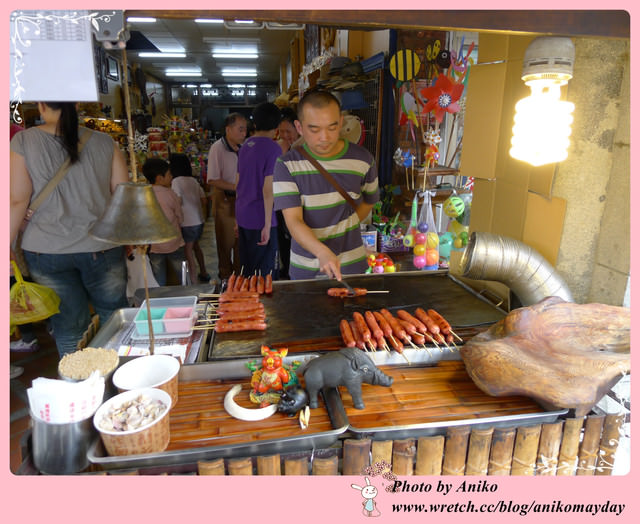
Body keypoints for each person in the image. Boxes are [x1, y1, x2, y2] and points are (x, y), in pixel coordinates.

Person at [10, 102, 129, 357]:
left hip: (46, 251)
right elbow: (123, 197)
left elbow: (16, 200)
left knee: (68, 327)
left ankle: (78, 388)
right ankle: (118, 385)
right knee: (114, 319)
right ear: (76, 104)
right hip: (103, 246)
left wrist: (7, 246)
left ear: (42, 104)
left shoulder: (23, 141)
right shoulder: (106, 143)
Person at [273, 90, 379, 280]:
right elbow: (293, 221)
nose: (324, 137)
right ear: (299, 127)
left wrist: (347, 224)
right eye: (314, 129)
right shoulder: (286, 165)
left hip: (352, 266)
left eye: (332, 127)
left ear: (340, 122)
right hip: (306, 268)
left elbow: (370, 200)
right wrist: (322, 251)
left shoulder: (363, 159)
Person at [235, 103, 283, 278]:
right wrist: (268, 225)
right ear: (277, 126)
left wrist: (236, 217)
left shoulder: (246, 146)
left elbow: (238, 182)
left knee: (248, 270)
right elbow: (268, 189)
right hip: (260, 218)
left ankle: (249, 303)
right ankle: (264, 306)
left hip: (243, 215)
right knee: (266, 274)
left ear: (254, 124)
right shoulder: (274, 149)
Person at [207, 113, 247, 280]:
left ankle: (240, 279)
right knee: (225, 244)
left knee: (241, 244)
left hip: (241, 201)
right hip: (225, 201)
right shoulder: (218, 148)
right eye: (240, 129)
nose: (244, 133)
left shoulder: (243, 147)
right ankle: (225, 279)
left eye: (245, 129)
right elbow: (212, 179)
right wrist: (237, 187)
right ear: (228, 129)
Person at [141, 158, 185, 286]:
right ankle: (187, 296)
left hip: (154, 245)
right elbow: (180, 217)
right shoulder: (170, 194)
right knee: (181, 275)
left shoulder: (144, 195)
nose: (172, 177)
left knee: (158, 278)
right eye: (169, 174)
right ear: (159, 178)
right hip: (174, 243)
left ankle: (159, 299)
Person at [169, 153, 210, 283]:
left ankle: (192, 281)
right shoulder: (193, 181)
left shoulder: (176, 181)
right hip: (199, 221)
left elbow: (178, 201)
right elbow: (204, 200)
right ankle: (203, 272)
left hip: (187, 222)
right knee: (196, 247)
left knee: (188, 252)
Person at [275, 107, 301, 279]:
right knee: (284, 242)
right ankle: (288, 273)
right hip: (283, 204)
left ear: (298, 129)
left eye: (288, 131)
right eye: (281, 132)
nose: (284, 135)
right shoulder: (280, 149)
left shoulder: (303, 150)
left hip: (300, 207)